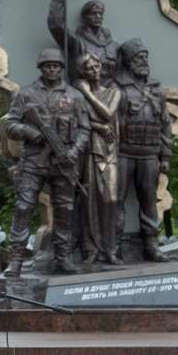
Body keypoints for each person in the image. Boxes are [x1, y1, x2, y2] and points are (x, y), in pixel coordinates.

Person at [4, 47, 91, 276]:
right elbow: (10, 124)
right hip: (34, 160)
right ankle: (16, 261)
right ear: (41, 68)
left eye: (56, 66)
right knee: (23, 207)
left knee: (64, 210)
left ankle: (63, 258)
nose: (52, 69)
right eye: (47, 66)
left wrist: (74, 151)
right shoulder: (26, 94)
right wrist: (29, 132)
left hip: (64, 162)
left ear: (61, 68)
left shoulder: (75, 96)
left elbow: (85, 129)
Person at [114, 38, 173, 261]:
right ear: (128, 62)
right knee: (115, 201)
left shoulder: (156, 90)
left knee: (149, 200)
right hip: (122, 153)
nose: (144, 60)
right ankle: (114, 247)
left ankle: (151, 245)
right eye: (139, 57)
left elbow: (166, 124)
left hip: (149, 153)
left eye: (145, 56)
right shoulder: (117, 87)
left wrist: (165, 155)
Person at [74, 52, 122, 265]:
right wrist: (99, 127)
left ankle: (110, 249)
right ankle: (91, 248)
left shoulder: (113, 92)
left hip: (109, 150)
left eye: (96, 66)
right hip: (88, 148)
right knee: (89, 200)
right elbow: (80, 120)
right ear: (83, 72)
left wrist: (86, 93)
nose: (93, 71)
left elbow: (108, 114)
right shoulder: (77, 97)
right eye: (88, 68)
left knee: (110, 199)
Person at [48, 0, 119, 83]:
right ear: (85, 17)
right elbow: (56, 24)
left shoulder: (113, 45)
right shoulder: (76, 41)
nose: (98, 16)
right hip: (83, 93)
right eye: (93, 13)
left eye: (100, 13)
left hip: (109, 93)